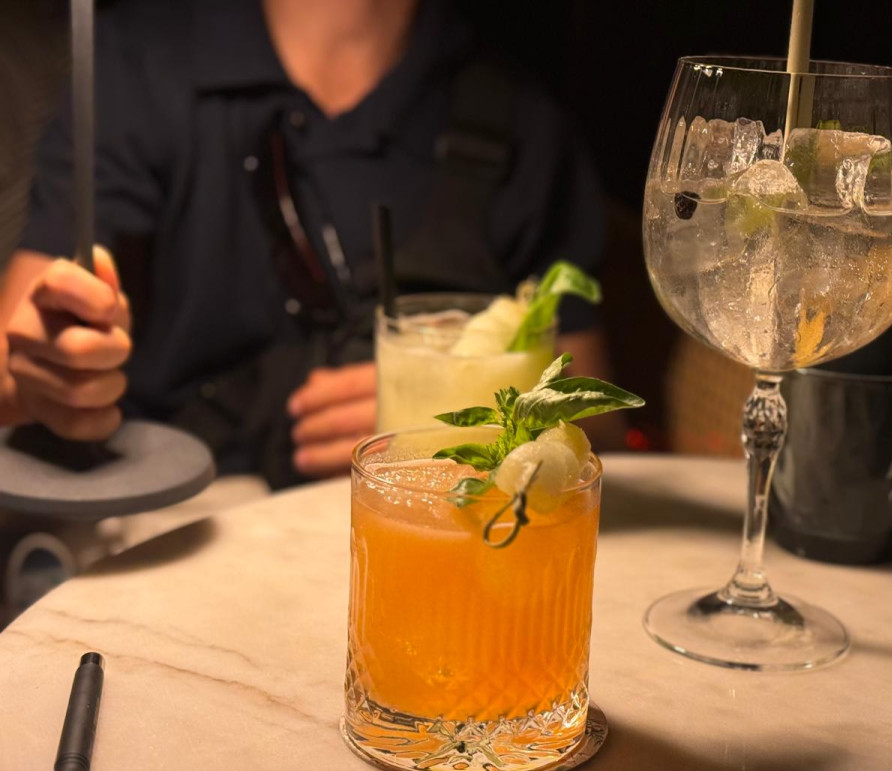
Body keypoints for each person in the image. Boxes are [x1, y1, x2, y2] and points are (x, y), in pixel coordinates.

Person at [0, 0, 613, 487]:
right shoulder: (135, 63)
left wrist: (461, 413)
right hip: (176, 522)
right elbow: (15, 366)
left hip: (430, 538)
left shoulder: (522, 119)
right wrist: (51, 367)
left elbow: (601, 422)